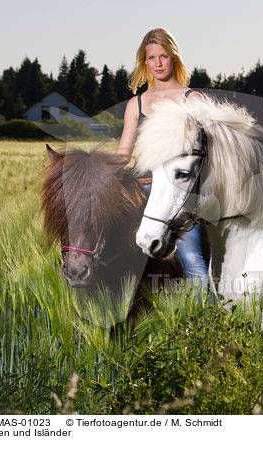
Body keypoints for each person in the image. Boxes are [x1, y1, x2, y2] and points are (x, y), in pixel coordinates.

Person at [116, 28, 209, 285]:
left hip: (176, 192)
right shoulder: (136, 104)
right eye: (151, 58)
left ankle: (210, 320)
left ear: (174, 58)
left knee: (191, 257)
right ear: (144, 62)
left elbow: (205, 155)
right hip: (142, 189)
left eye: (163, 56)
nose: (157, 63)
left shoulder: (193, 99)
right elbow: (124, 152)